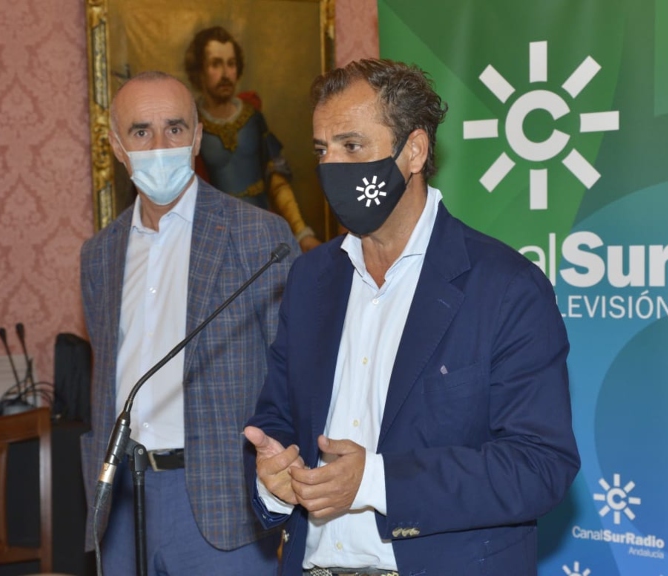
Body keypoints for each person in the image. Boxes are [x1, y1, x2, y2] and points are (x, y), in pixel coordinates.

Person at [243, 59, 580, 575]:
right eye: (322, 150)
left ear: (415, 151)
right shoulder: (310, 280)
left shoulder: (506, 287)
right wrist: (274, 479)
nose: (332, 167)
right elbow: (279, 420)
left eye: (352, 146)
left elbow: (539, 465)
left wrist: (374, 482)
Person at [80, 70, 297, 575]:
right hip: (121, 501)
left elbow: (293, 377)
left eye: (174, 129)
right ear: (116, 146)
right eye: (141, 132)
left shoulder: (259, 236)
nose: (160, 146)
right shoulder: (98, 255)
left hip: (223, 504)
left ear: (197, 137)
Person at [184, 25, 322, 253]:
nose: (225, 73)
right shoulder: (190, 124)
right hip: (216, 239)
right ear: (200, 71)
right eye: (216, 64)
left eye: (231, 64)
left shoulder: (253, 117)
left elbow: (276, 179)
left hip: (262, 230)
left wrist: (302, 233)